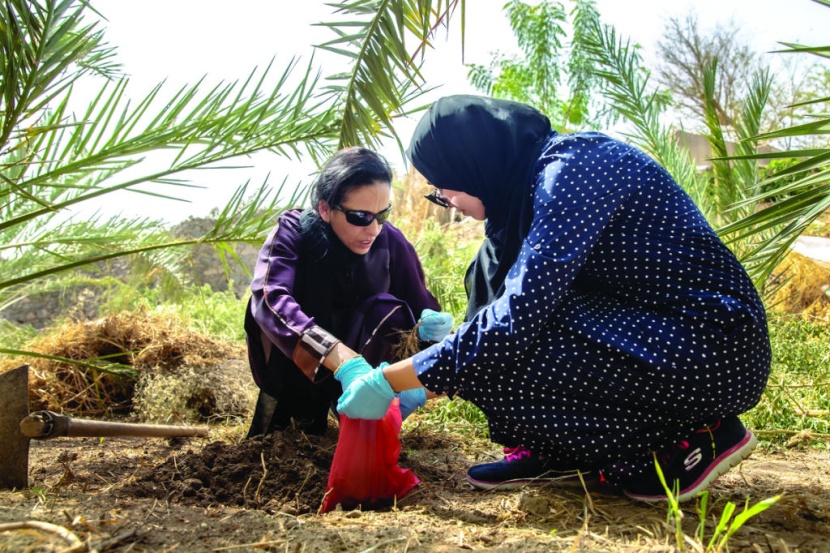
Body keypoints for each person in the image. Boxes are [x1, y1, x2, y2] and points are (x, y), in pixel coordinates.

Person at [330, 95, 772, 503]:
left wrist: (392, 381)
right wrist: (432, 372)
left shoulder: (573, 170)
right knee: (486, 319)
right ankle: (562, 451)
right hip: (658, 335)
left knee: (502, 340)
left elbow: (515, 319)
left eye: (444, 188)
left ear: (473, 163)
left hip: (716, 346)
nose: (446, 201)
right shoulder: (529, 193)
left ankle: (702, 432)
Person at [244, 146, 453, 437]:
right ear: (325, 209)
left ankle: (366, 421)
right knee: (272, 315)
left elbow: (422, 309)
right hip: (300, 363)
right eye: (360, 216)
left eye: (382, 214)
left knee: (389, 311)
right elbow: (270, 299)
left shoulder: (390, 241)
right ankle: (300, 412)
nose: (373, 230)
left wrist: (433, 334)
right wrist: (341, 359)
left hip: (364, 371)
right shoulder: (294, 233)